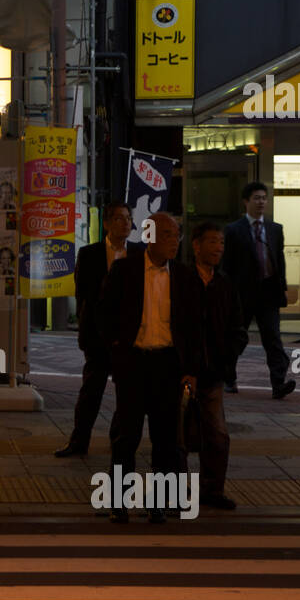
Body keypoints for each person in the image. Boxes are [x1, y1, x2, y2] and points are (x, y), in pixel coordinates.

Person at [100, 212, 202, 523]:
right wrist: (116, 348)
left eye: (177, 235)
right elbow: (103, 313)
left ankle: (157, 503)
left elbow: (196, 327)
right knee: (126, 436)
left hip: (168, 364)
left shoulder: (184, 276)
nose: (175, 241)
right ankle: (119, 501)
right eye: (169, 235)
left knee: (165, 439)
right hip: (133, 362)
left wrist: (191, 369)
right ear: (150, 237)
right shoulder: (125, 269)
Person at [55, 201, 143, 457]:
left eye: (128, 218)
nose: (125, 222)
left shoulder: (139, 253)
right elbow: (84, 297)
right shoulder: (89, 253)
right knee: (90, 393)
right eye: (119, 218)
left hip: (129, 338)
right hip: (98, 336)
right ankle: (78, 441)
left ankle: (123, 442)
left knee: (128, 395)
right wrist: (92, 332)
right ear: (106, 224)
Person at [190, 222, 248, 510]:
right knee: (176, 436)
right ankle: (173, 492)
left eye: (221, 243)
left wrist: (227, 359)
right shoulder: (180, 280)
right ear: (196, 246)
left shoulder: (225, 285)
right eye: (212, 242)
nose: (218, 248)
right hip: (182, 372)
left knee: (217, 434)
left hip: (213, 372)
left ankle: (213, 490)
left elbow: (238, 328)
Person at [222, 182, 294, 398]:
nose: (261, 202)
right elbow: (228, 265)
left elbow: (279, 261)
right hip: (242, 294)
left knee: (273, 338)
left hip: (269, 292)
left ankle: (278, 383)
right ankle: (229, 378)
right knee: (236, 337)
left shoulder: (275, 229)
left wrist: (282, 288)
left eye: (264, 198)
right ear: (246, 201)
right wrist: (228, 294)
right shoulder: (233, 230)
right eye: (256, 198)